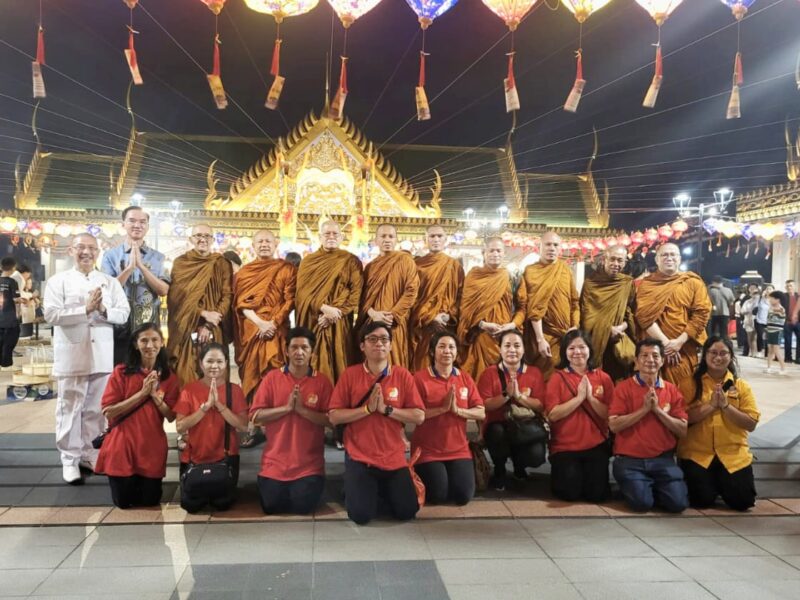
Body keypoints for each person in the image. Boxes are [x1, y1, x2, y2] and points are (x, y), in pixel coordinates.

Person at [44, 234, 130, 484]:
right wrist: (85, 309)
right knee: (70, 408)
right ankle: (69, 459)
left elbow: (123, 313)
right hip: (72, 355)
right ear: (71, 250)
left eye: (92, 248)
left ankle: (90, 453)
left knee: (95, 409)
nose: (87, 252)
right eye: (81, 247)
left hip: (101, 354)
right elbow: (51, 314)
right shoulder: (58, 281)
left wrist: (103, 309)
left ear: (98, 252)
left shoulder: (109, 282)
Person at [328, 321, 425, 525]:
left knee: (407, 511)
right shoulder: (350, 375)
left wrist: (386, 410)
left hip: (393, 456)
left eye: (383, 339)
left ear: (390, 345)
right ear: (362, 346)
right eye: (372, 339)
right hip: (360, 455)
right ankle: (356, 489)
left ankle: (372, 491)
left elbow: (419, 416)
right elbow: (334, 416)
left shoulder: (402, 375)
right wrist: (367, 410)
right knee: (361, 516)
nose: (379, 343)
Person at [95, 323, 180, 508]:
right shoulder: (121, 372)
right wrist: (141, 394)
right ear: (135, 344)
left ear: (162, 343)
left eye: (155, 340)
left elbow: (171, 416)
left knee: (150, 501)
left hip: (151, 447)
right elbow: (108, 411)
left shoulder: (169, 377)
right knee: (124, 502)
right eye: (144, 340)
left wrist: (154, 396)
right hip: (122, 445)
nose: (150, 345)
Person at [249, 327, 333, 514]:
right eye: (294, 347)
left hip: (308, 466)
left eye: (304, 347)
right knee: (271, 507)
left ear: (312, 352)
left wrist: (303, 411)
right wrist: (286, 409)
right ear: (286, 351)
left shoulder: (322, 382)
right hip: (274, 464)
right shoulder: (272, 378)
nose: (299, 352)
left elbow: (332, 420)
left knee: (302, 507)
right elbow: (255, 415)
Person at [678, 336, 759, 511]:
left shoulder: (741, 386)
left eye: (723, 353)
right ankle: (715, 485)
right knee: (701, 500)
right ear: (705, 355)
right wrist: (711, 406)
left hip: (732, 455)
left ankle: (722, 484)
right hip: (697, 454)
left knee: (743, 502)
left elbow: (751, 423)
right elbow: (682, 419)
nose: (718, 357)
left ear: (731, 356)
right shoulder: (689, 384)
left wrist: (726, 406)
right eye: (713, 352)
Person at [609, 338, 689, 513]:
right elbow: (614, 425)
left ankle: (650, 487)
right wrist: (644, 410)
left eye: (655, 356)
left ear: (662, 361)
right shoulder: (623, 388)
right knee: (642, 504)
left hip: (663, 460)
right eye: (644, 356)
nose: (650, 360)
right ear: (636, 361)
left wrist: (658, 411)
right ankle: (638, 487)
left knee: (678, 504)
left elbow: (682, 430)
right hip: (630, 460)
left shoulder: (671, 390)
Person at [233, 230, 296, 447]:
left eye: (268, 241)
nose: (264, 244)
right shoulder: (244, 272)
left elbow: (290, 300)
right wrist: (260, 323)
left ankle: (277, 425)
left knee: (276, 376)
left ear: (276, 244)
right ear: (253, 245)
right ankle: (255, 425)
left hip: (276, 331)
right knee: (252, 376)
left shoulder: (287, 269)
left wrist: (273, 323)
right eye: (259, 241)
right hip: (253, 330)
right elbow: (240, 304)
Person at [412, 332, 485, 505]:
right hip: (428, 450)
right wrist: (442, 409)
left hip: (458, 449)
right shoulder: (420, 379)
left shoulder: (464, 378)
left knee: (463, 497)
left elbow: (481, 412)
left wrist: (458, 411)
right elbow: (415, 415)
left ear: (456, 352)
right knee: (437, 495)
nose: (447, 351)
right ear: (432, 351)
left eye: (451, 347)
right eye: (442, 347)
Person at [174, 343, 248, 513]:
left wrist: (219, 405)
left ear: (226, 363)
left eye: (219, 361)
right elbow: (180, 426)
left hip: (225, 458)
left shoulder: (234, 390)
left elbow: (243, 425)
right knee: (191, 506)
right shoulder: (189, 390)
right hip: (194, 457)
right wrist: (205, 407)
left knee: (223, 504)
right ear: (201, 364)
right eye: (210, 361)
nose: (215, 366)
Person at [543, 330, 615, 503]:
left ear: (590, 349)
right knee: (569, 493)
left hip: (595, 445)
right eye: (571, 348)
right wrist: (579, 399)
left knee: (597, 495)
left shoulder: (603, 378)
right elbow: (552, 415)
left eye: (582, 347)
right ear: (565, 352)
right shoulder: (557, 378)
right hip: (565, 447)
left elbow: (610, 415)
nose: (577, 352)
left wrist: (590, 398)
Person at [635, 243, 711, 403]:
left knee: (685, 393)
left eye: (673, 254)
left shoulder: (693, 282)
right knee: (653, 392)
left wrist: (679, 342)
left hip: (684, 348)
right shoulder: (647, 284)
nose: (669, 258)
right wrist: (666, 344)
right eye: (664, 255)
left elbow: (702, 313)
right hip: (654, 348)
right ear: (657, 259)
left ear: (679, 259)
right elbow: (643, 316)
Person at [477, 329, 547, 490]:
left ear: (523, 349)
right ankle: (500, 469)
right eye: (507, 345)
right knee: (496, 432)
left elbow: (540, 405)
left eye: (517, 345)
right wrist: (506, 395)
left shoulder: (534, 373)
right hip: (497, 426)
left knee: (536, 455)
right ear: (500, 349)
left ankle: (519, 466)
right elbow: (483, 405)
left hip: (524, 426)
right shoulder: (489, 373)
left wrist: (519, 396)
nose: (512, 350)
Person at [100, 206, 170, 366]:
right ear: (123, 224)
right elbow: (107, 291)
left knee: (149, 371)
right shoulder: (110, 256)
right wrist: (129, 269)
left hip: (148, 328)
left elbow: (163, 290)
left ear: (147, 226)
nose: (137, 225)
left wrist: (142, 267)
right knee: (120, 371)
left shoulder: (158, 257)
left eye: (142, 222)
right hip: (119, 327)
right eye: (132, 221)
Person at [295, 220, 363, 383]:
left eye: (335, 234)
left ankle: (340, 395)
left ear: (341, 237)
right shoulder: (308, 262)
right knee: (313, 360)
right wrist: (324, 308)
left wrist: (335, 313)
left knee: (340, 359)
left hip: (340, 322)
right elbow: (301, 293)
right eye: (327, 234)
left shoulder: (351, 261)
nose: (331, 236)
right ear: (320, 237)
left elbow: (356, 293)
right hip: (314, 320)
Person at [167, 225, 233, 385]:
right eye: (198, 236)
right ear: (191, 239)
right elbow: (176, 298)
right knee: (185, 377)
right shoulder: (181, 263)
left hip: (214, 327)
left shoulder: (221, 263)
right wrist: (203, 313)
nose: (202, 239)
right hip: (187, 327)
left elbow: (227, 295)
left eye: (207, 236)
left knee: (214, 375)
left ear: (212, 239)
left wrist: (210, 323)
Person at [457, 237, 523, 381]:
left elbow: (522, 308)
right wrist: (482, 324)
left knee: (502, 381)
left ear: (504, 253)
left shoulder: (512, 277)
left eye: (499, 251)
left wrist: (512, 325)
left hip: (505, 338)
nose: (495, 254)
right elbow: (465, 309)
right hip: (480, 336)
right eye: (491, 250)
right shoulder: (474, 276)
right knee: (479, 379)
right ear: (484, 253)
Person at [517, 231, 580, 380]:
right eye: (548, 244)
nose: (552, 248)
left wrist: (575, 326)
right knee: (540, 378)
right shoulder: (531, 271)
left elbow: (574, 302)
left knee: (562, 379)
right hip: (541, 336)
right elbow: (532, 307)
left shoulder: (565, 270)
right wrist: (540, 339)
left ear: (560, 248)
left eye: (555, 245)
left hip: (564, 336)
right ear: (540, 247)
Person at [354, 224, 419, 367]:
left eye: (391, 236)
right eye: (383, 236)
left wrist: (393, 315)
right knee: (372, 361)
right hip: (373, 321)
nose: (387, 240)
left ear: (396, 240)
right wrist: (373, 313)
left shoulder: (406, 261)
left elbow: (411, 290)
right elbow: (363, 297)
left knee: (394, 362)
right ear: (376, 240)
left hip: (395, 323)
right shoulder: (370, 267)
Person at [411, 225, 464, 371]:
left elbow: (460, 296)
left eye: (439, 236)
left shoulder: (454, 265)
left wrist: (449, 316)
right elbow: (412, 296)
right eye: (432, 236)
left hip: (446, 324)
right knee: (423, 364)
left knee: (445, 363)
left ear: (445, 239)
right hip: (423, 324)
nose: (436, 239)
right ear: (425, 239)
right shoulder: (416, 265)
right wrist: (429, 317)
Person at [579, 245, 636, 381]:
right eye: (612, 259)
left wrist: (620, 328)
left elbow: (630, 313)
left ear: (625, 262)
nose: (616, 264)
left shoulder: (627, 283)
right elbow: (586, 314)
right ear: (605, 259)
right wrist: (607, 329)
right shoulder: (591, 283)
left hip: (617, 341)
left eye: (620, 260)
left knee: (617, 380)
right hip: (595, 339)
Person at [0, 257, 21, 371]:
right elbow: (16, 300)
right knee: (10, 340)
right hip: (9, 318)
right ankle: (6, 364)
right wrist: (18, 313)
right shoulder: (12, 282)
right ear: (13, 268)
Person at [765, 291, 787, 375]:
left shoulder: (781, 309)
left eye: (771, 299)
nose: (770, 300)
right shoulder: (770, 308)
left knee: (776, 349)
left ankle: (783, 368)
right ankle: (769, 367)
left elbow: (776, 311)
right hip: (770, 330)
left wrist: (771, 308)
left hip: (777, 331)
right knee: (770, 350)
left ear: (777, 300)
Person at [707, 276, 735, 340]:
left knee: (712, 331)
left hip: (712, 314)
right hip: (725, 313)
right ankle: (724, 343)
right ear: (722, 282)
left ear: (713, 282)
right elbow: (731, 303)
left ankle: (712, 343)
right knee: (724, 332)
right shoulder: (728, 290)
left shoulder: (710, 290)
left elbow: (706, 301)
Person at [741, 284, 763, 357]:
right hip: (748, 320)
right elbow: (742, 311)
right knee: (750, 337)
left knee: (755, 337)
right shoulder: (747, 302)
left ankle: (756, 352)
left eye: (756, 293)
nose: (755, 295)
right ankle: (751, 351)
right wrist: (748, 311)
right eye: (753, 293)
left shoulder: (761, 302)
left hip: (757, 321)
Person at [784, 280, 799, 364]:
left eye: (791, 285)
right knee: (787, 341)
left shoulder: (798, 296)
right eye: (787, 286)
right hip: (787, 322)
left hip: (798, 322)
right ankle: (788, 358)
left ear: (794, 286)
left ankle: (798, 358)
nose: (789, 287)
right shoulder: (783, 296)